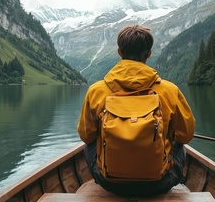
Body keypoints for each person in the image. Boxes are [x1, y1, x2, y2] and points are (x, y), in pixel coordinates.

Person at [77, 24, 196, 196]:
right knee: (180, 146)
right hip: (160, 183)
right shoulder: (170, 90)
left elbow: (86, 135)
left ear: (119, 52)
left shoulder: (96, 91)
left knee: (89, 144)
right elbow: (186, 135)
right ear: (148, 54)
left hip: (109, 183)